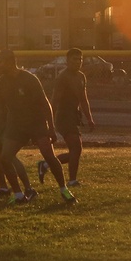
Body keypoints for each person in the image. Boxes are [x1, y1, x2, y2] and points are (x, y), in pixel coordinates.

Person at [0, 49, 76, 205]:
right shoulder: (1, 83)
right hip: (16, 124)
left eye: (0, 61)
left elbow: (45, 103)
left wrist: (51, 127)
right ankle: (19, 195)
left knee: (49, 156)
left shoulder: (29, 79)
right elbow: (0, 109)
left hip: (36, 122)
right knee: (4, 158)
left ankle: (64, 189)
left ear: (10, 62)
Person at [38, 48, 96, 187]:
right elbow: (55, 100)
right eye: (75, 59)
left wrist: (89, 118)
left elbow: (83, 99)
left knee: (76, 150)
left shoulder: (81, 76)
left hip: (74, 116)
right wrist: (50, 121)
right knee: (76, 148)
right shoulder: (63, 77)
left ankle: (46, 165)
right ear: (67, 61)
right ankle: (72, 181)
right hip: (63, 116)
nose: (78, 62)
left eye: (80, 59)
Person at [0, 56, 34, 202]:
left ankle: (28, 188)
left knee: (8, 157)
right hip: (0, 123)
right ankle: (4, 187)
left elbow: (5, 109)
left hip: (7, 124)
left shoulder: (6, 82)